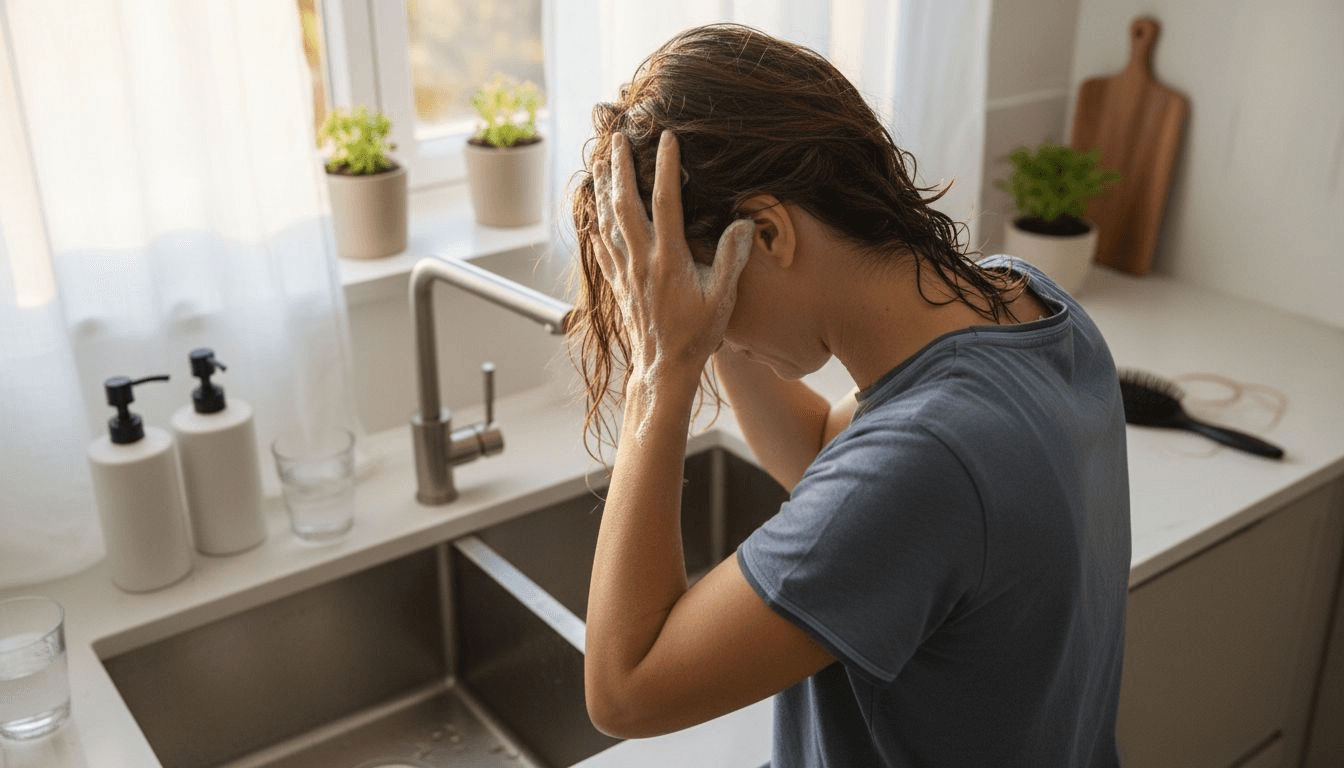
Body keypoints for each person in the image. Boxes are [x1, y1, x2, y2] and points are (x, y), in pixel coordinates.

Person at [565, 23, 1131, 768]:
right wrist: (707, 329)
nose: (716, 333)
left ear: (767, 234)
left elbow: (626, 691)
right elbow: (823, 460)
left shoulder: (929, 459)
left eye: (705, 286)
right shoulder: (1025, 302)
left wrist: (661, 368)